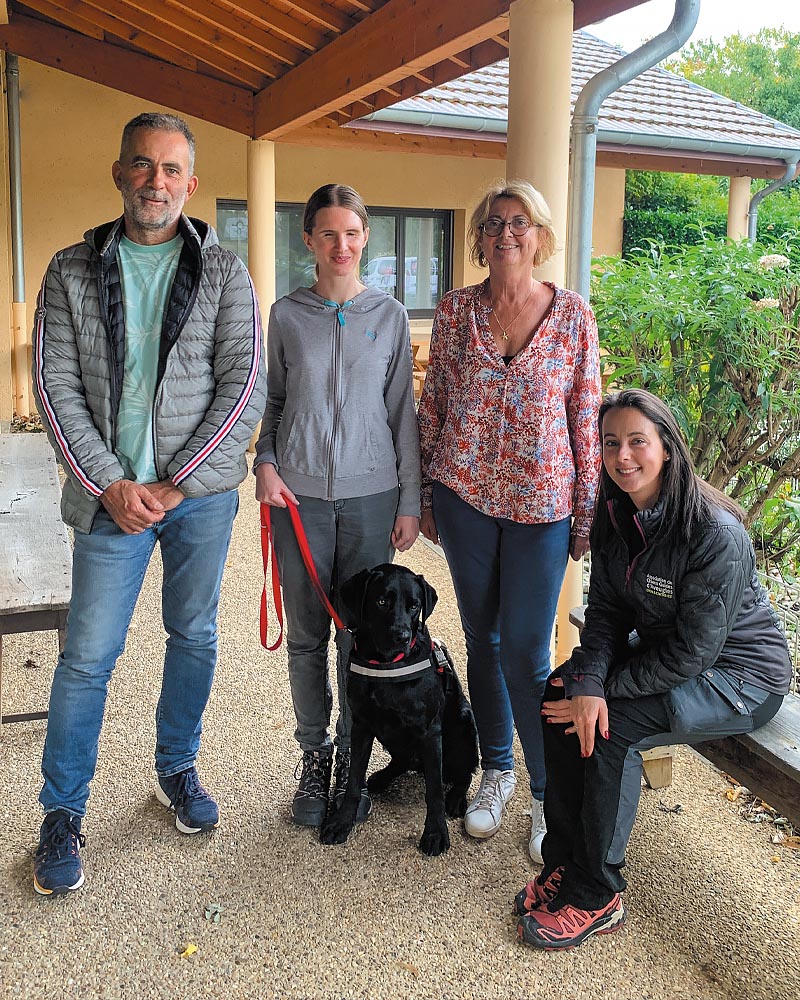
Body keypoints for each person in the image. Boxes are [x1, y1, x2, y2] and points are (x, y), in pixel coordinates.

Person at [30, 112, 267, 896]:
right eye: (142, 166)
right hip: (108, 502)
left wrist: (174, 482)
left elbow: (243, 386)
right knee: (87, 660)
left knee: (193, 635)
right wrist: (111, 485)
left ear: (191, 186)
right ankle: (62, 813)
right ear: (119, 173)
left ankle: (177, 769)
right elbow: (54, 388)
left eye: (171, 170)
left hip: (195, 500)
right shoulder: (70, 269)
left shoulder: (226, 272)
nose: (156, 181)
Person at [515, 388, 792, 950]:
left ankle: (598, 894)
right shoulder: (616, 512)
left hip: (738, 677)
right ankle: (565, 860)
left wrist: (604, 691)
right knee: (560, 693)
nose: (622, 456)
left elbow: (696, 654)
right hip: (668, 650)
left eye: (637, 442)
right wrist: (587, 682)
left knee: (612, 725)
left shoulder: (716, 532)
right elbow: (607, 611)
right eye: (611, 442)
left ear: (666, 446)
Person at [417, 179, 601, 862]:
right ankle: (497, 771)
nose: (506, 234)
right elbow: (433, 404)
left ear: (540, 234)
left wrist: (585, 518)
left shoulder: (573, 316)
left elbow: (587, 418)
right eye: (494, 223)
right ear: (479, 237)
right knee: (480, 637)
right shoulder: (455, 310)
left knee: (526, 649)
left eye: (519, 223)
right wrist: (429, 496)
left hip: (541, 509)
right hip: (465, 500)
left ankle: (549, 795)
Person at [254, 183, 420, 828]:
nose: (341, 246)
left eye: (351, 233)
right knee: (306, 637)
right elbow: (267, 404)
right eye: (328, 234)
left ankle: (354, 753)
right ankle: (313, 756)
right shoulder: (286, 315)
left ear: (366, 237)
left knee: (364, 637)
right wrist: (265, 464)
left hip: (373, 496)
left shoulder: (391, 316)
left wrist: (409, 498)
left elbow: (403, 413)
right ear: (309, 241)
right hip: (296, 498)